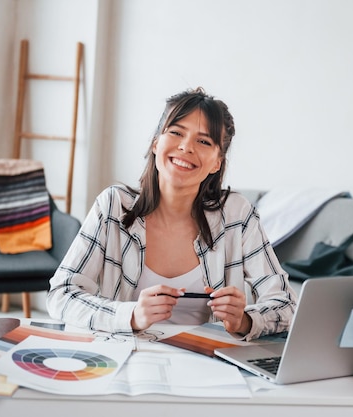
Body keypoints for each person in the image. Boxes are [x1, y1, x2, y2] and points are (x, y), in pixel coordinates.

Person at [46, 87, 297, 341]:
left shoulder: (237, 215)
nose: (186, 147)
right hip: (128, 362)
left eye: (203, 141)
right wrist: (130, 315)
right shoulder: (114, 206)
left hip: (209, 366)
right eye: (176, 132)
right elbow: (61, 294)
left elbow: (286, 305)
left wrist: (244, 320)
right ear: (156, 143)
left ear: (217, 162)